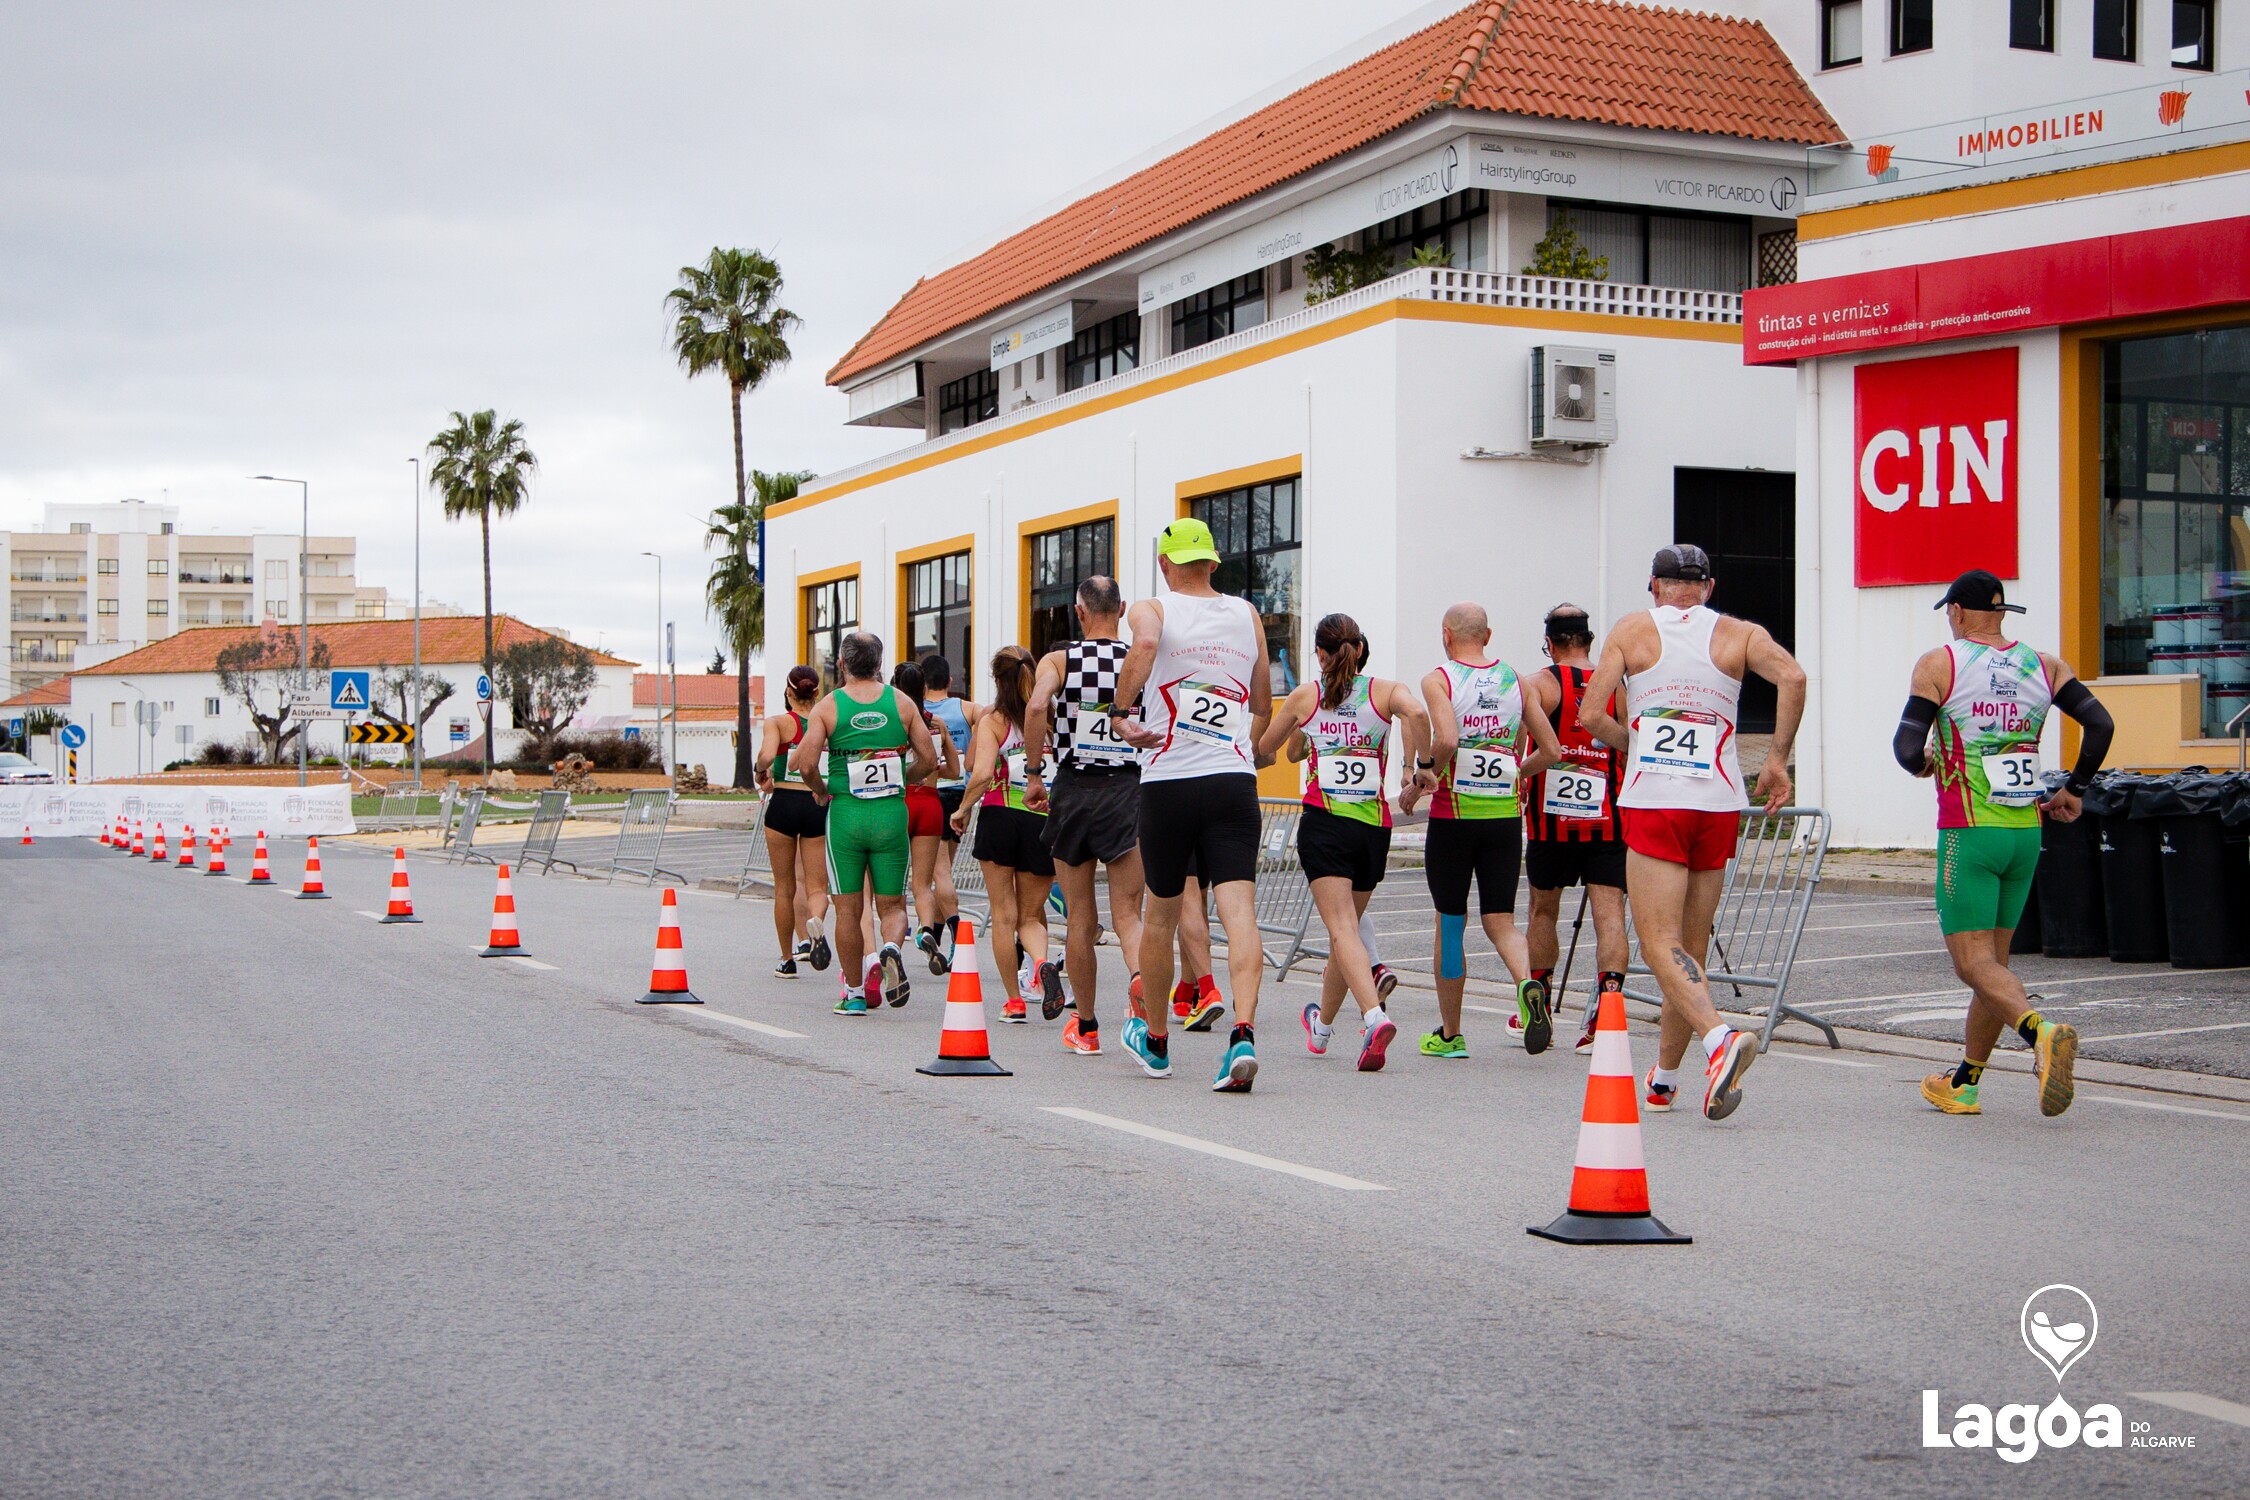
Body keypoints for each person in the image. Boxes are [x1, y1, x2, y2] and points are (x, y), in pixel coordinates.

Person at [1580, 544, 1803, 1121]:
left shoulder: (1633, 628)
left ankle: (1718, 1039)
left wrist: (1637, 744)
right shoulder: (1740, 633)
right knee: (1691, 947)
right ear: (1708, 586)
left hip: (1657, 799)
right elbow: (1794, 676)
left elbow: (1590, 714)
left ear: (1654, 586)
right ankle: (1664, 1079)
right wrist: (1776, 760)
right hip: (1719, 802)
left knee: (1658, 943)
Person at [1896, 570, 2112, 1119]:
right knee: (1994, 964)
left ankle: (2040, 1033)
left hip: (1968, 833)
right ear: (2002, 612)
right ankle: (1965, 1083)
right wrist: (2075, 788)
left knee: (1973, 966)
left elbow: (1904, 746)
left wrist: (1922, 763)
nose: (1950, 618)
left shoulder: (1940, 662)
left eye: (1951, 611)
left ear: (1961, 613)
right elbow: (2101, 725)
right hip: (2024, 832)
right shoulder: (2046, 664)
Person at [1112, 517, 1273, 1090]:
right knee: (1240, 913)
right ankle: (1244, 1035)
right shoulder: (1246, 614)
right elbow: (1261, 700)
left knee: (1160, 915)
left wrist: (1122, 712)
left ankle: (1157, 1042)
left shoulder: (1151, 608)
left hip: (1169, 779)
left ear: (1165, 564)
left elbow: (1149, 644)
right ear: (1212, 563)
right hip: (1232, 779)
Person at [1258, 612, 1430, 1071]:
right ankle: (1323, 1027)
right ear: (1358, 648)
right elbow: (1416, 712)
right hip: (1373, 828)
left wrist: (1306, 726)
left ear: (1319, 653)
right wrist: (1416, 769)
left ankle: (1373, 1016)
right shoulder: (1384, 690)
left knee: (1342, 931)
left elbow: (1264, 749)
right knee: (1345, 933)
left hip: (1326, 824)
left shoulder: (1305, 696)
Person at [1403, 602, 1562, 1059]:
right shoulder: (1516, 678)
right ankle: (1528, 984)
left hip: (1455, 819)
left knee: (1451, 925)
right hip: (1503, 819)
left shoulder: (1439, 678)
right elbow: (1550, 748)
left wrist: (1424, 772)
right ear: (1487, 635)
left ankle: (1451, 1035)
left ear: (1446, 635)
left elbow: (1448, 739)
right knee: (1501, 921)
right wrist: (1517, 772)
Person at [1024, 576, 1148, 1057]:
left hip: (1074, 789)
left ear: (1079, 613)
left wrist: (1035, 774)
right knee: (1129, 916)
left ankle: (1088, 1027)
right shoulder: (1139, 659)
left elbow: (1037, 705)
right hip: (1127, 789)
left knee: (1080, 916)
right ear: (1121, 610)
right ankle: (1140, 985)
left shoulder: (1060, 659)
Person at [788, 632, 939, 1016]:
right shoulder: (901, 702)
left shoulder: (828, 706)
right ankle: (890, 948)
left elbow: (805, 763)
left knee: (849, 909)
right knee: (893, 905)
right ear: (879, 663)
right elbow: (929, 758)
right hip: (891, 813)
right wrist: (906, 777)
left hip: (847, 815)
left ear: (842, 664)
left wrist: (821, 789)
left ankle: (854, 992)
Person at [1522, 604, 1631, 1055]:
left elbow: (1515, 746)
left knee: (1543, 912)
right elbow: (1629, 741)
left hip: (1551, 820)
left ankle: (1540, 1000)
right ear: (1587, 641)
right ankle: (1607, 1013)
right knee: (1610, 915)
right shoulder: (1615, 687)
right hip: (1607, 816)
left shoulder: (1540, 684)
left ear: (1550, 643)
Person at [952, 646, 1062, 1024]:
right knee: (1031, 915)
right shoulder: (1051, 718)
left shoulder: (994, 720)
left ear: (997, 680)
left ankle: (1014, 1002)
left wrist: (963, 808)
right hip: (1041, 820)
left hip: (1000, 816)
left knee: (1003, 915)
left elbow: (981, 773)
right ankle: (1043, 963)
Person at [754, 665, 831, 977]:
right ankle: (815, 925)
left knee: (784, 887)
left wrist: (761, 770)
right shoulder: (825, 720)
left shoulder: (778, 722)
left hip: (783, 803)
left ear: (788, 691)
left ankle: (786, 958)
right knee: (816, 885)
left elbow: (767, 757)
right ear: (815, 692)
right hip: (816, 801)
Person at [893, 660, 963, 972]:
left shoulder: (895, 721)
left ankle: (889, 944)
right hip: (932, 803)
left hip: (899, 802)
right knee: (934, 877)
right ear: (924, 688)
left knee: (890, 885)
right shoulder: (937, 724)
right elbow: (954, 770)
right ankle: (933, 932)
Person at [919, 654, 979, 973]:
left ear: (923, 683)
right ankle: (935, 938)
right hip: (959, 793)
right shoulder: (966, 709)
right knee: (945, 869)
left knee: (939, 873)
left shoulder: (920, 714)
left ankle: (952, 937)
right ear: (950, 682)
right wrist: (972, 755)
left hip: (932, 791)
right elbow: (991, 719)